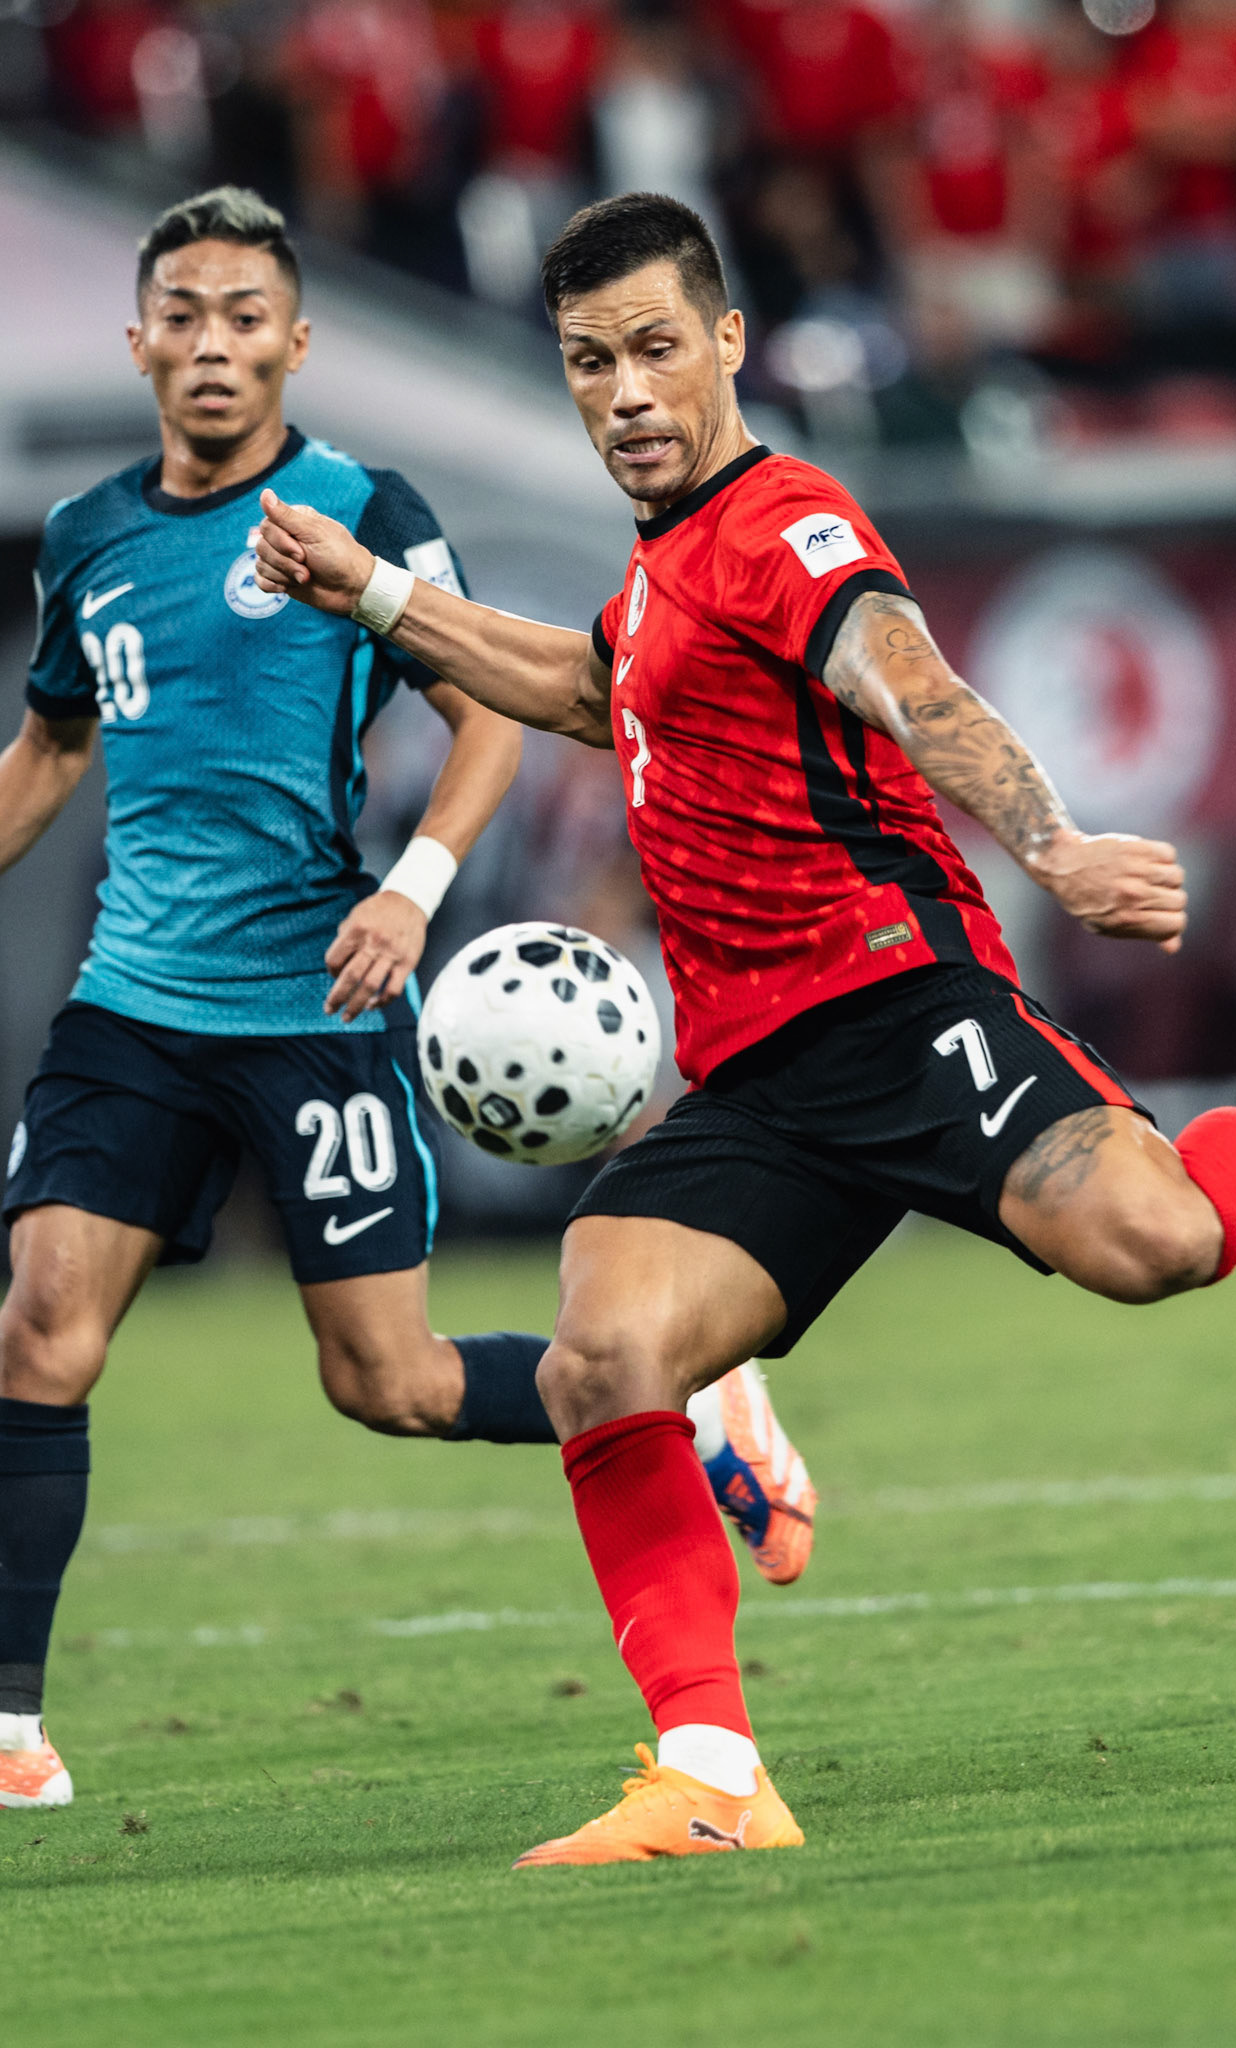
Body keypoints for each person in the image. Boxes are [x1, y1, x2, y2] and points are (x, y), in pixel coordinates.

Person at [254, 190, 1236, 1868]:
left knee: (1154, 1244)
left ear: (724, 344)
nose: (625, 391)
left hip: (895, 998)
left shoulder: (781, 520)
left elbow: (914, 685)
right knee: (602, 1356)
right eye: (590, 362)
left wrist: (1056, 846)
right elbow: (590, 690)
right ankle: (710, 1777)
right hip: (755, 1076)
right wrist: (373, 594)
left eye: (655, 348)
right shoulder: (654, 576)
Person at [0, 187, 815, 1815]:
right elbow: (54, 752)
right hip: (132, 1008)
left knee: (389, 1382)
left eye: (247, 317)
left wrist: (410, 890)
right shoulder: (86, 537)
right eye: (185, 314)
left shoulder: (360, 510)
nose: (214, 345)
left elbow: (493, 717)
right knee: (39, 1334)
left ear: (298, 342)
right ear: (140, 336)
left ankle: (689, 1392)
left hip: (316, 1006)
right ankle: (10, 1729)